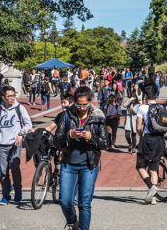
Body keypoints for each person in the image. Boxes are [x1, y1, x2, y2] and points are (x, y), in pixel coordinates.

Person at [54, 86, 108, 230]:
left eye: (85, 104)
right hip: (68, 163)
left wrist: (91, 137)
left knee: (84, 203)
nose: (82, 108)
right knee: (65, 201)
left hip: (89, 165)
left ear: (90, 102)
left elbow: (105, 143)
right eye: (79, 104)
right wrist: (69, 135)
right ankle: (72, 221)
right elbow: (56, 140)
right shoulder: (67, 115)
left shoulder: (98, 116)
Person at [0, 86, 32, 205]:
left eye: (13, 95)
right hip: (2, 144)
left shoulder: (20, 108)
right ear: (3, 97)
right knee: (3, 172)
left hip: (15, 144)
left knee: (15, 168)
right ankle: (6, 195)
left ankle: (18, 189)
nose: (12, 98)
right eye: (9, 96)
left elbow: (28, 125)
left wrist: (21, 134)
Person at [136, 83, 165, 205]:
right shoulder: (162, 108)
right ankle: (153, 197)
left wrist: (140, 136)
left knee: (140, 166)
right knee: (154, 169)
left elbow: (138, 127)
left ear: (146, 96)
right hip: (160, 140)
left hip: (148, 139)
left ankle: (151, 187)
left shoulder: (142, 108)